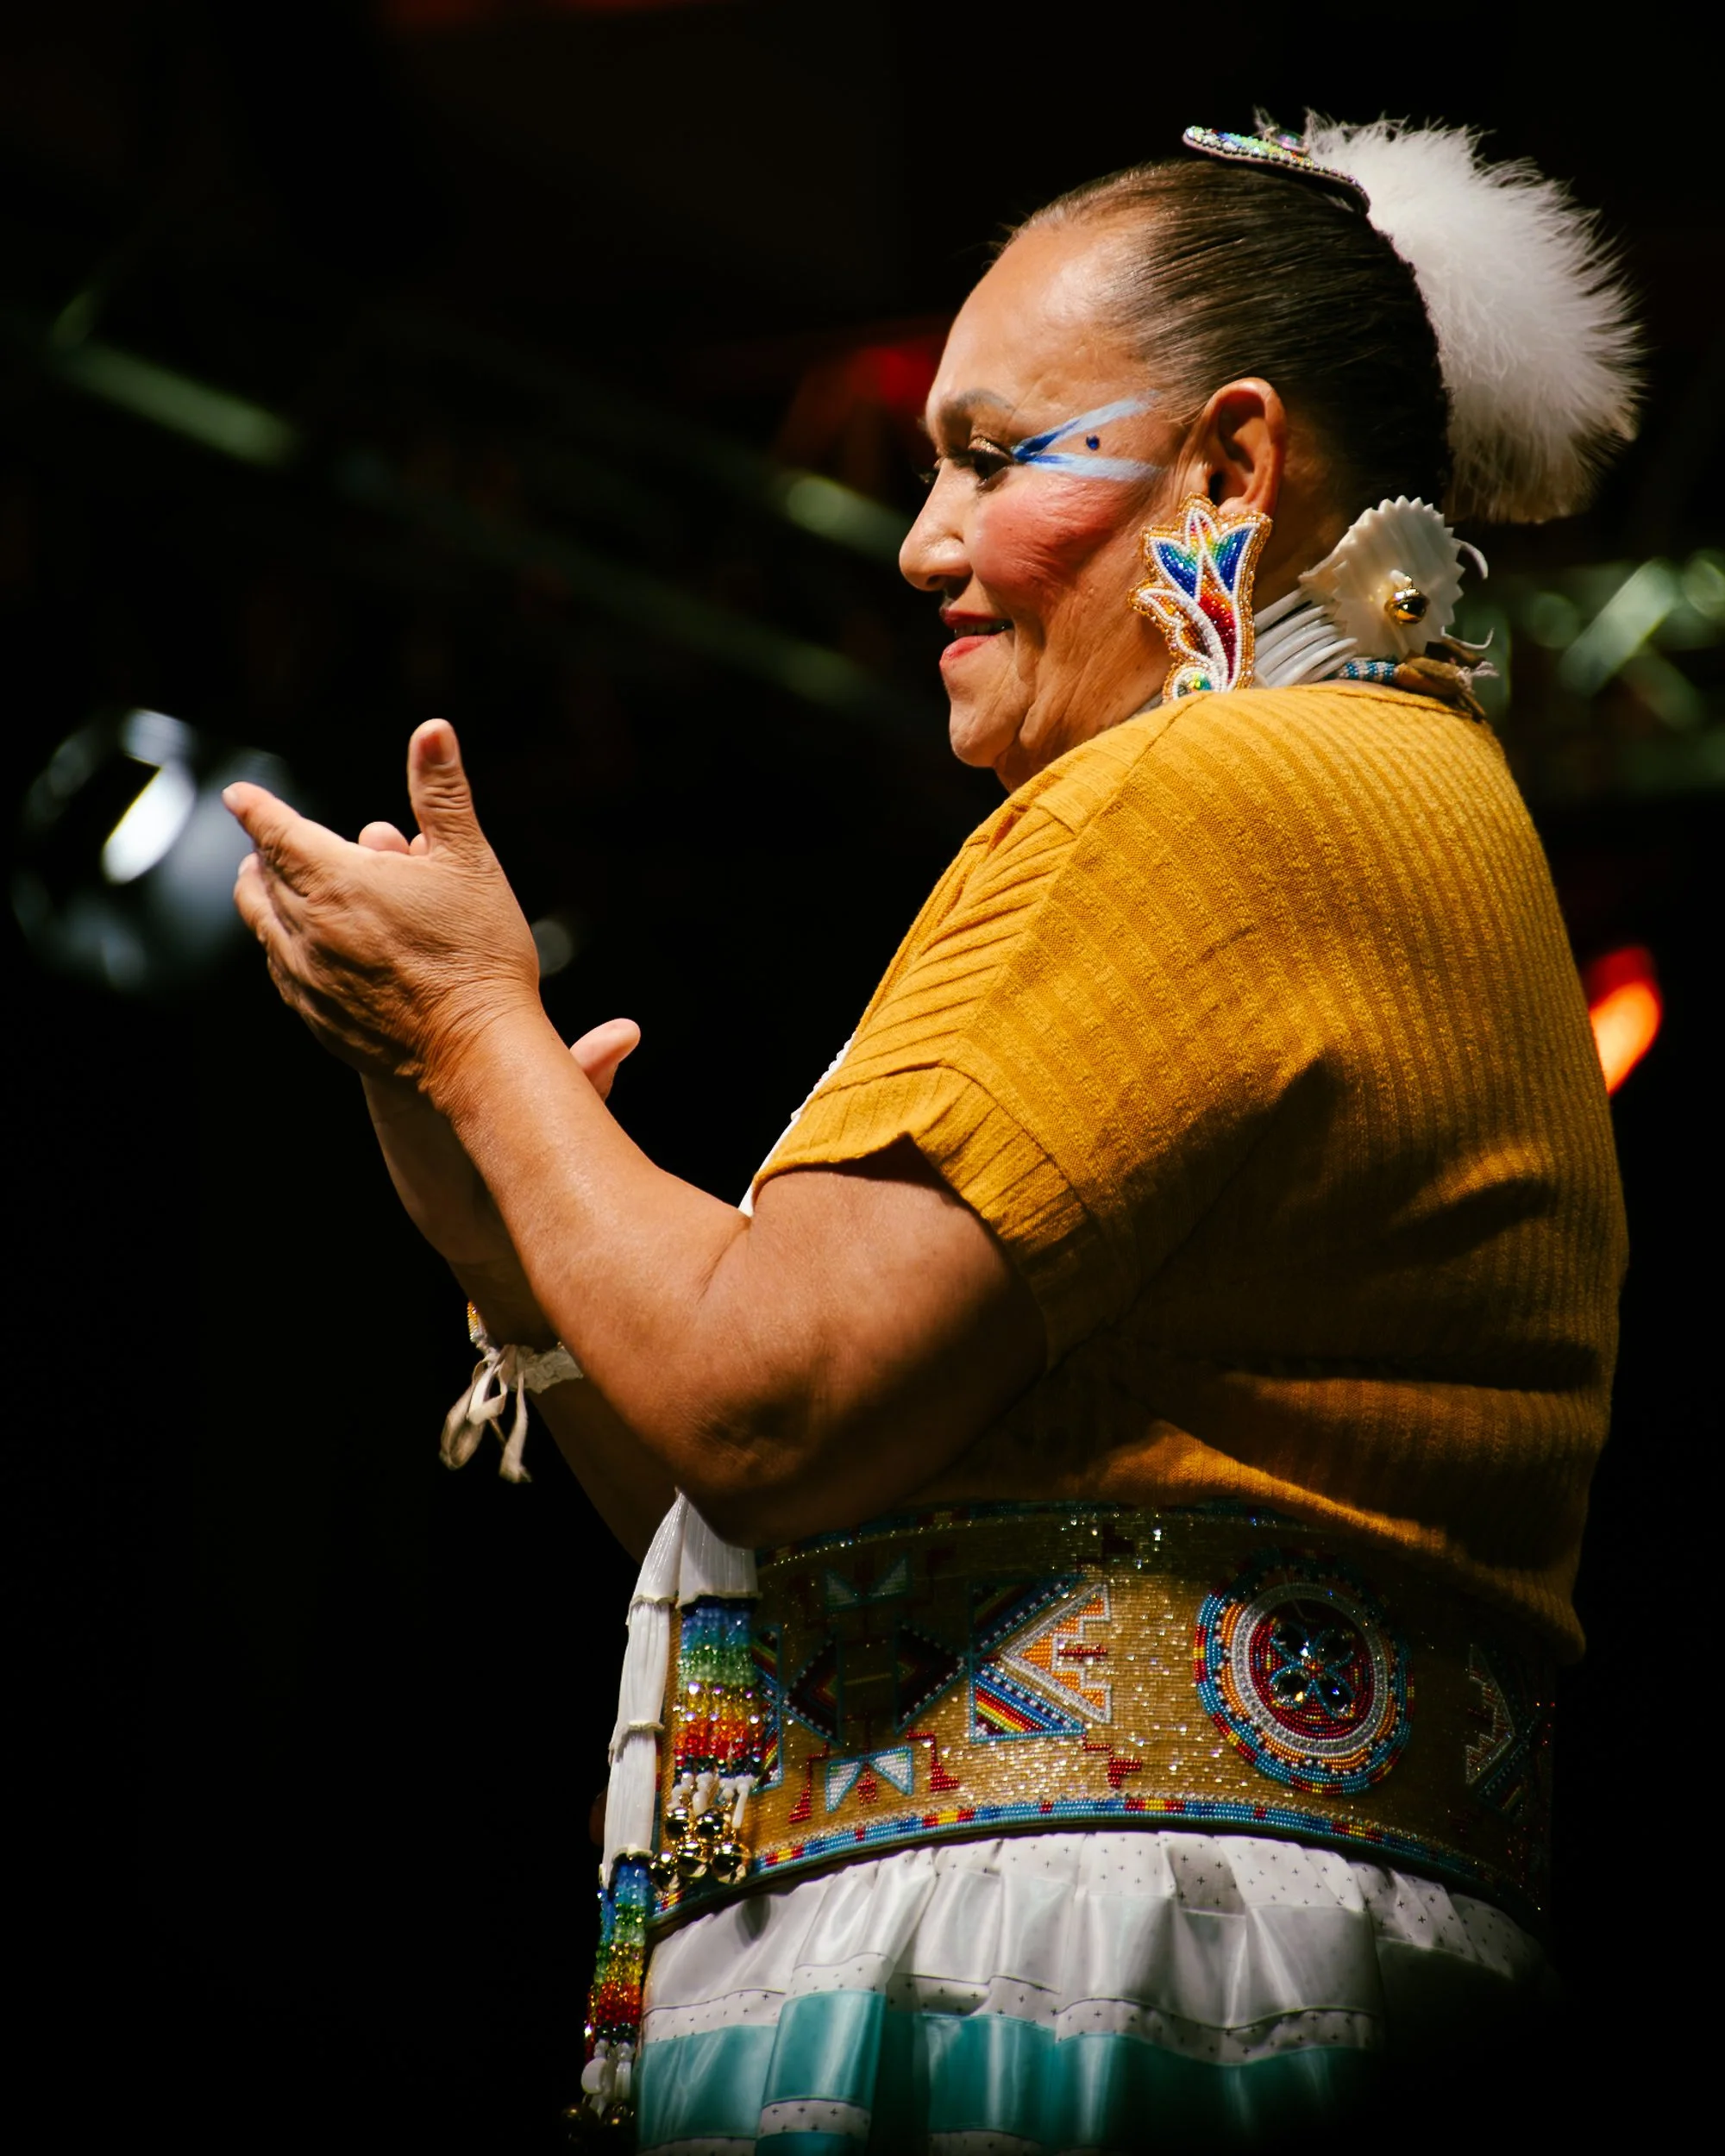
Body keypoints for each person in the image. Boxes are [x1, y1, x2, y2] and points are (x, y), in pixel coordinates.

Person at [228, 118, 1637, 2151]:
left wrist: (473, 1027)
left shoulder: (1230, 787)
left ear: (1232, 470)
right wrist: (503, 1238)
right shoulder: (1377, 792)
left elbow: (772, 1395)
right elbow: (810, 1510)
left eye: (994, 455)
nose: (921, 540)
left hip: (1107, 1987)